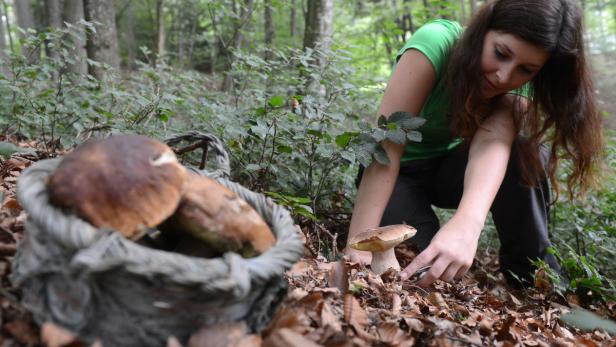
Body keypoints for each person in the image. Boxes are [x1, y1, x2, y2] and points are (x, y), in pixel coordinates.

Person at [344, 0, 604, 287]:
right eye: (500, 53)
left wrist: (469, 223)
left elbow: (494, 142)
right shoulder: (435, 43)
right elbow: (386, 147)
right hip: (398, 173)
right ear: (483, 30)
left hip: (447, 169)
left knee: (526, 152)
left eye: (526, 69)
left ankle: (536, 279)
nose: (505, 76)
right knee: (424, 267)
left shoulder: (522, 82)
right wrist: (357, 248)